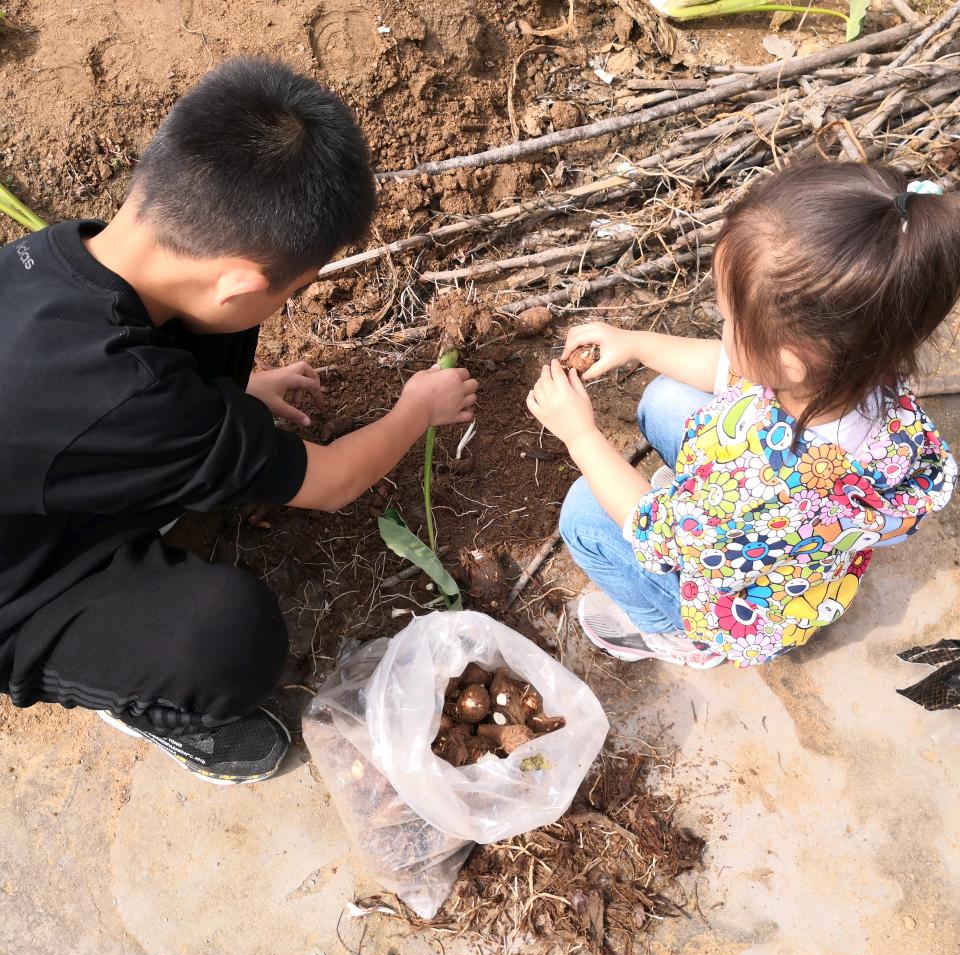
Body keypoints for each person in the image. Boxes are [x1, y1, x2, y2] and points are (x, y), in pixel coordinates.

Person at [0, 58, 477, 784]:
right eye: (291, 292)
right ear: (241, 284)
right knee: (230, 641)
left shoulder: (54, 255)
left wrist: (238, 393)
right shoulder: (127, 398)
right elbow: (331, 481)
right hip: (16, 582)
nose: (283, 305)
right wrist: (419, 408)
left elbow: (95, 394)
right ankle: (137, 697)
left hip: (32, 485)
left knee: (214, 341)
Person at [527, 160, 957, 669]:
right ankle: (697, 510)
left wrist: (580, 435)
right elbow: (728, 367)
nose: (724, 330)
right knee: (667, 396)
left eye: (730, 320)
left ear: (787, 363)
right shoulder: (864, 372)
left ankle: (678, 633)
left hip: (743, 599)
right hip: (793, 544)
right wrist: (637, 344)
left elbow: (656, 531)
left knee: (584, 514)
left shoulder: (764, 486)